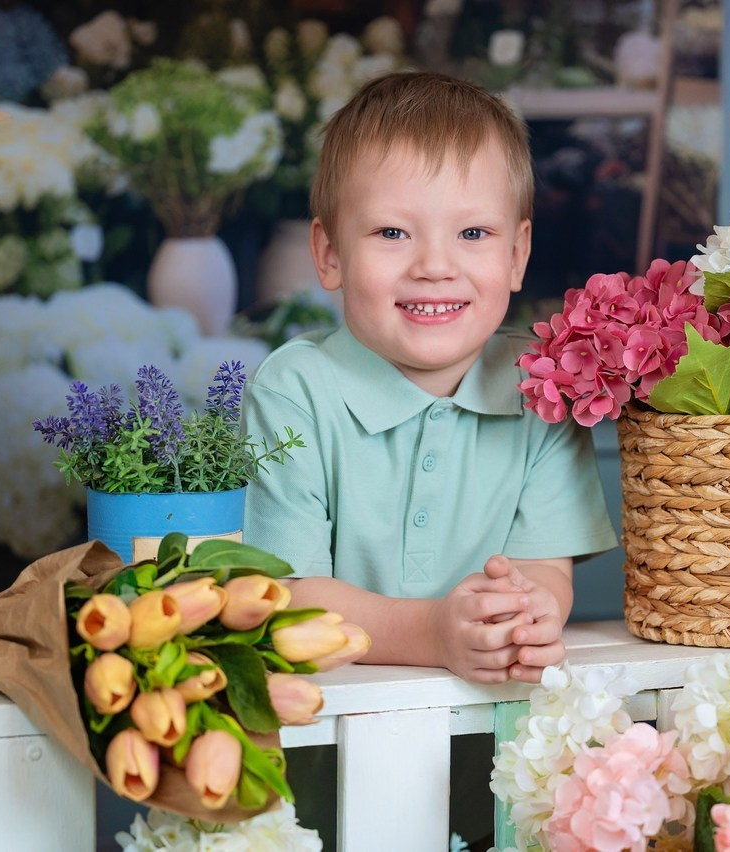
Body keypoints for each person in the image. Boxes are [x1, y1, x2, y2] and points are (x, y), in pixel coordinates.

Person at [241, 70, 617, 844]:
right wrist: (439, 633)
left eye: (472, 234)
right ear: (329, 252)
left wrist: (531, 611)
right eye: (392, 233)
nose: (435, 265)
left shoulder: (540, 387)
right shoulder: (295, 392)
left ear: (517, 255)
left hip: (495, 762)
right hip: (329, 771)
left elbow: (546, 563)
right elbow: (289, 604)